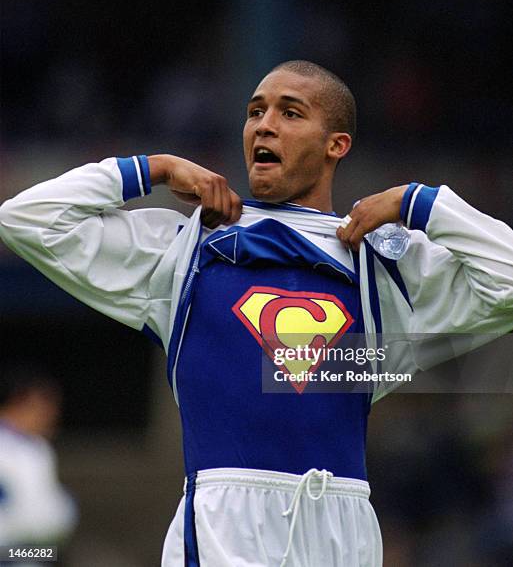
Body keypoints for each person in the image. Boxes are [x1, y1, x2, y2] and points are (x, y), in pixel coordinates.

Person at [0, 60, 512, 566]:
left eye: (290, 113)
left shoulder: (380, 261)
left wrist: (421, 203)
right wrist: (153, 168)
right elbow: (25, 219)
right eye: (255, 112)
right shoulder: (185, 247)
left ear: (337, 144)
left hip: (343, 527)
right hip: (225, 527)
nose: (264, 124)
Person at [0, 362, 77, 564]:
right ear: (20, 401)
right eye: (45, 404)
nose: (52, 414)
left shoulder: (36, 447)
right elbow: (34, 518)